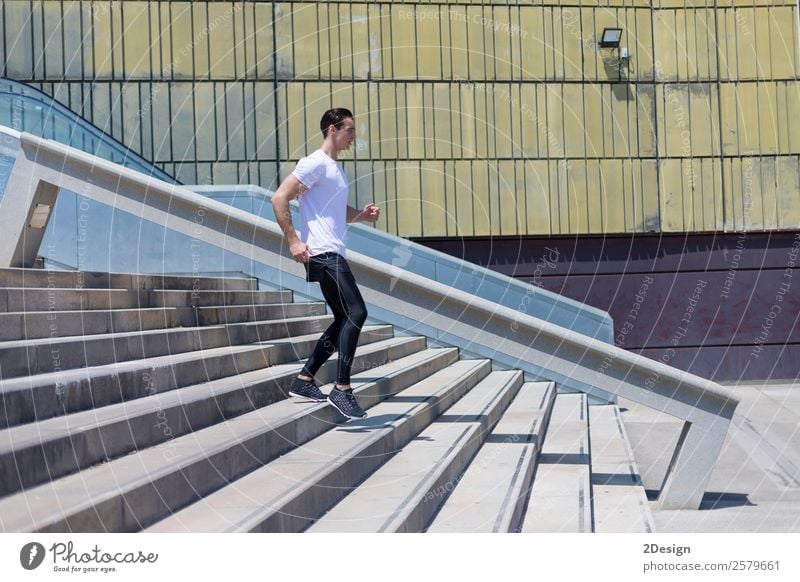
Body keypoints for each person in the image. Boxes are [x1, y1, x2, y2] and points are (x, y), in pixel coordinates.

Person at [271, 108, 380, 420]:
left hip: (332, 251)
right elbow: (279, 198)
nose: (353, 137)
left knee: (342, 318)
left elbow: (334, 209)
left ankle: (305, 379)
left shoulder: (333, 168)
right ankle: (342, 388)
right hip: (323, 252)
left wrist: (361, 215)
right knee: (357, 312)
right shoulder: (315, 162)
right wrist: (293, 240)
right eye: (349, 130)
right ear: (332, 130)